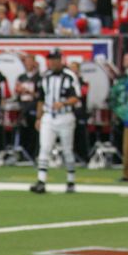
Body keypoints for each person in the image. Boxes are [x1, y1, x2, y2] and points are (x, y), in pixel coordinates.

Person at [31, 48, 81, 193]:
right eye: (50, 59)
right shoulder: (45, 77)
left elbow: (76, 97)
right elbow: (40, 99)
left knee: (67, 150)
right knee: (44, 148)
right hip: (48, 116)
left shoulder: (70, 76)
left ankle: (71, 181)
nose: (52, 62)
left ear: (60, 60)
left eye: (55, 59)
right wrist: (39, 117)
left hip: (65, 116)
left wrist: (63, 103)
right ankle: (41, 181)